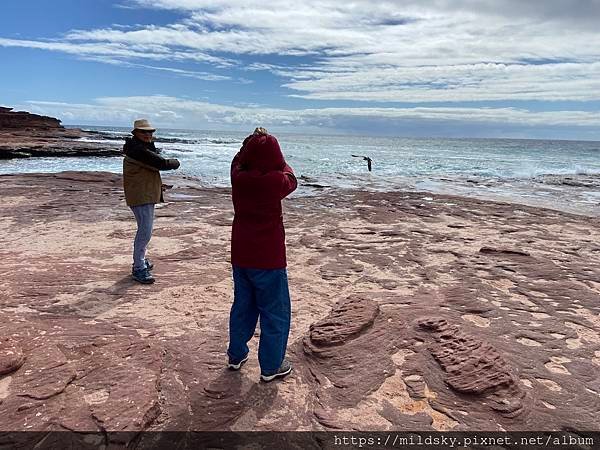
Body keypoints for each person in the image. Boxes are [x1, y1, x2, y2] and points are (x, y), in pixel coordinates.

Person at [227, 127, 298, 382]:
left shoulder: (238, 175)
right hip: (269, 257)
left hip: (241, 253)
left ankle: (236, 356)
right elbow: (290, 175)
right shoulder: (276, 181)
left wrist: (252, 141)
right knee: (275, 312)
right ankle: (271, 366)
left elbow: (239, 158)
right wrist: (272, 152)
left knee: (243, 306)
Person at [122, 119, 180, 284]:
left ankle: (141, 260)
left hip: (143, 194)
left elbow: (147, 170)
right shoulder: (138, 150)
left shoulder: (138, 148)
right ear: (135, 133)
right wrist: (177, 162)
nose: (148, 135)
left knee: (144, 230)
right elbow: (162, 164)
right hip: (141, 197)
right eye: (144, 132)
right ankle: (139, 267)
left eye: (150, 132)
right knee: (145, 232)